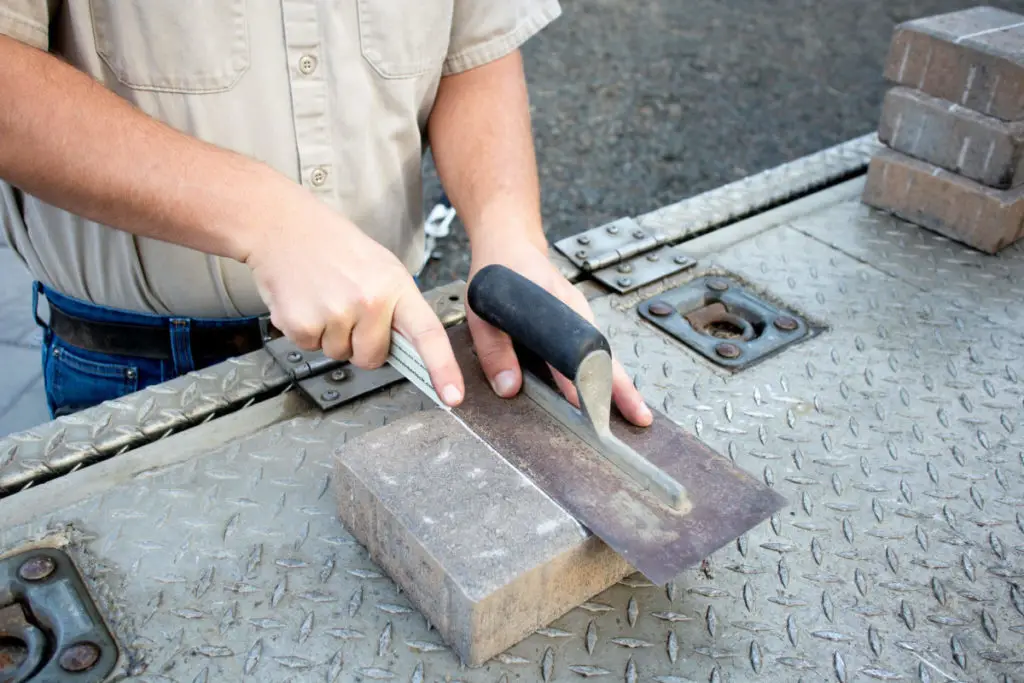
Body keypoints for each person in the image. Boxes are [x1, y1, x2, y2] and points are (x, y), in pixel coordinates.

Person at [0, 2, 652, 428]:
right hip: (146, 368)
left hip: (393, 346)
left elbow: (473, 48)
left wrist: (509, 233)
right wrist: (265, 217)